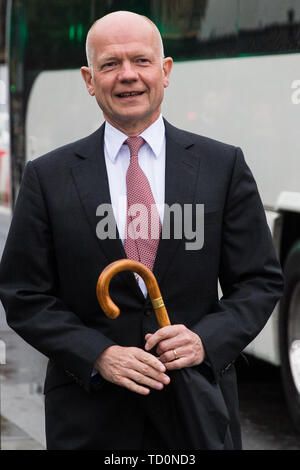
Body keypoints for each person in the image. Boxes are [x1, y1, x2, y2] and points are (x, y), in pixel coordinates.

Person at [0, 11, 283, 450]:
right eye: (110, 64)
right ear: (89, 79)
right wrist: (98, 354)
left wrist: (203, 341)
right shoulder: (47, 176)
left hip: (197, 411)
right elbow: (23, 295)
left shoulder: (222, 166)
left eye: (141, 61)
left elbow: (260, 281)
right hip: (90, 419)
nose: (127, 76)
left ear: (165, 71)